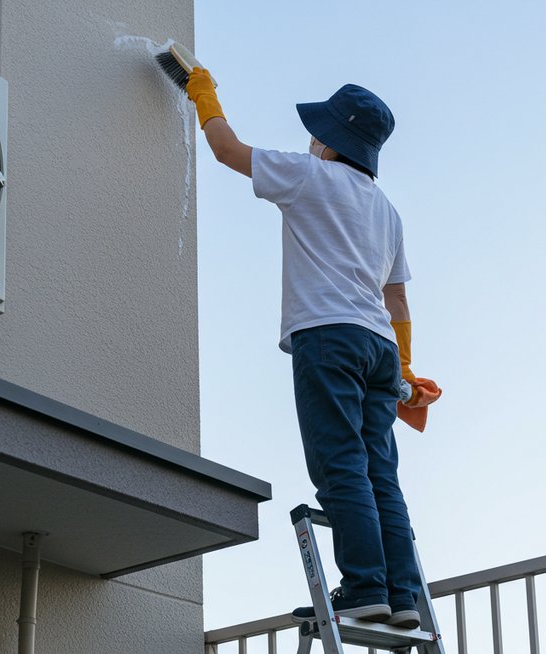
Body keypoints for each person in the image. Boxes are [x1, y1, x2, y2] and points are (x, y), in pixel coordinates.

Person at [186, 67, 441, 629]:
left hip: (328, 337)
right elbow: (395, 297)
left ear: (330, 142)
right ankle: (402, 596)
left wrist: (202, 92)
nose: (310, 140)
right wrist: (403, 366)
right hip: (378, 347)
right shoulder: (387, 210)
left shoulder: (308, 176)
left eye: (317, 133)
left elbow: (227, 150)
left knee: (340, 464)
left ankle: (364, 588)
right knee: (381, 474)